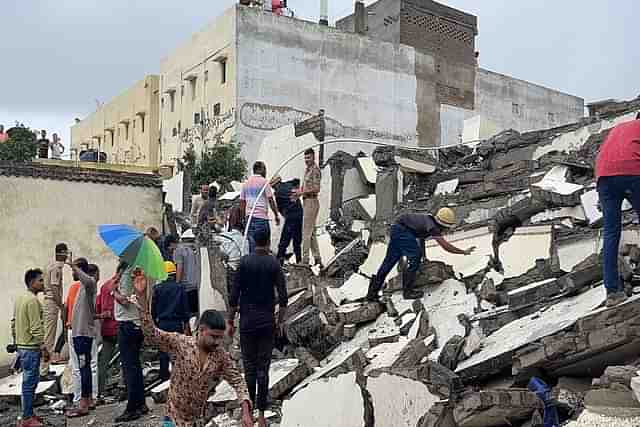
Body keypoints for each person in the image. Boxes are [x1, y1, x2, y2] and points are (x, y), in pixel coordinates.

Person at [131, 270, 254, 427]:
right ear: (201, 330)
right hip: (173, 418)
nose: (217, 342)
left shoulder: (220, 356)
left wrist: (245, 411)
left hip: (197, 420)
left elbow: (238, 381)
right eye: (213, 337)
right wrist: (142, 300)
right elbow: (152, 335)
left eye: (220, 338)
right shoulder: (181, 343)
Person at [229, 230, 288, 427]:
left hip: (247, 323)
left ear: (254, 241)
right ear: (269, 241)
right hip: (266, 323)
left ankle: (249, 414)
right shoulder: (273, 263)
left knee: (249, 369)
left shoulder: (244, 263)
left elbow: (233, 296)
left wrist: (230, 321)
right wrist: (280, 322)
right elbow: (284, 297)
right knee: (263, 369)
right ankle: (262, 416)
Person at [366, 208, 476, 301]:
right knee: (414, 256)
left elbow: (421, 237)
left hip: (396, 228)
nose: (445, 230)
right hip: (401, 230)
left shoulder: (428, 221)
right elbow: (445, 246)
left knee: (389, 261)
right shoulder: (433, 227)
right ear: (443, 225)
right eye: (446, 228)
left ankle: (371, 294)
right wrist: (463, 252)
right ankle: (408, 291)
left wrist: (424, 256)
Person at [595, 114, 640, 307]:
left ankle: (613, 292)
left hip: (604, 176)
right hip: (631, 172)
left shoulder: (619, 127)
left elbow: (602, 153)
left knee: (611, 233)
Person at [113, 265, 148, 422]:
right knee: (135, 366)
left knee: (129, 368)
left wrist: (113, 291)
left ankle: (133, 407)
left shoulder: (129, 272)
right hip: (135, 323)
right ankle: (141, 404)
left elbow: (126, 301)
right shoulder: (135, 269)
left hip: (128, 324)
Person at [12, 269, 47, 427]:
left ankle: (29, 414)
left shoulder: (21, 298)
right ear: (32, 282)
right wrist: (44, 347)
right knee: (29, 383)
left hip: (23, 346)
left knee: (30, 382)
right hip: (30, 348)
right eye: (40, 280)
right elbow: (36, 328)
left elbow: (14, 323)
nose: (43, 283)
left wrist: (17, 342)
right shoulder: (32, 301)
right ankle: (27, 418)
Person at [65, 259, 98, 418]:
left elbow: (86, 278)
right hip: (79, 332)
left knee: (84, 367)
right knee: (83, 366)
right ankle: (89, 399)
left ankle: (84, 403)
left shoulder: (89, 283)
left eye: (74, 271)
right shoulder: (81, 288)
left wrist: (73, 265)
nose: (72, 274)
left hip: (83, 334)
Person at [152, 261, 191, 381]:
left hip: (162, 324)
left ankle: (164, 378)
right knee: (176, 353)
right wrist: (186, 325)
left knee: (163, 353)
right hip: (176, 324)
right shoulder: (180, 288)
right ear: (174, 274)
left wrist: (153, 323)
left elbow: (153, 309)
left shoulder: (157, 289)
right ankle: (177, 379)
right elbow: (185, 308)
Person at [96, 262, 126, 397]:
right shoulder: (120, 287)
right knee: (125, 359)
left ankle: (100, 390)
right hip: (118, 327)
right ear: (121, 272)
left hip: (106, 329)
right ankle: (122, 386)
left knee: (104, 361)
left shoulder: (103, 286)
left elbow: (98, 306)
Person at [40, 243, 68, 379]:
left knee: (48, 335)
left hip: (49, 301)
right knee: (49, 337)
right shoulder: (56, 268)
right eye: (66, 252)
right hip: (52, 302)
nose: (67, 255)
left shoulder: (49, 265)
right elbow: (55, 288)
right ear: (61, 252)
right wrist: (61, 306)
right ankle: (43, 370)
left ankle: (45, 367)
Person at [240, 161, 280, 253]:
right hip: (261, 218)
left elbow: (242, 203)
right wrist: (276, 215)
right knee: (264, 244)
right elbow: (270, 199)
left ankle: (252, 264)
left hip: (249, 218)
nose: (266, 172)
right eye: (265, 169)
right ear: (261, 170)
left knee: (252, 243)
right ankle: (264, 264)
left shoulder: (246, 183)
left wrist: (243, 218)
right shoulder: (264, 182)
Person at [291, 148, 322, 267]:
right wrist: (298, 193)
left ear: (313, 157)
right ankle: (318, 259)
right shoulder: (307, 170)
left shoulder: (315, 170)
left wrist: (301, 193)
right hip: (307, 201)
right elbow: (306, 188)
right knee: (311, 233)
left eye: (308, 157)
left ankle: (305, 260)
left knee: (306, 232)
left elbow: (316, 188)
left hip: (311, 201)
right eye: (305, 158)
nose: (306, 160)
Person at [212, 204, 249, 300]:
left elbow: (219, 256)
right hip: (241, 276)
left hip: (228, 275)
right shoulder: (246, 240)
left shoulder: (222, 238)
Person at [273, 176, 303, 265]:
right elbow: (297, 180)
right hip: (300, 214)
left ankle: (279, 260)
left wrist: (284, 214)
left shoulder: (278, 193)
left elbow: (280, 209)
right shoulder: (290, 184)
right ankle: (299, 260)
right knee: (297, 240)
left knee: (284, 239)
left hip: (290, 216)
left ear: (275, 185)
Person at [175, 230, 201, 316]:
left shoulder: (180, 249)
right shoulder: (198, 248)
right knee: (196, 311)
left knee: (187, 313)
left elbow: (180, 267)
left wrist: (177, 283)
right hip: (197, 284)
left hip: (186, 286)